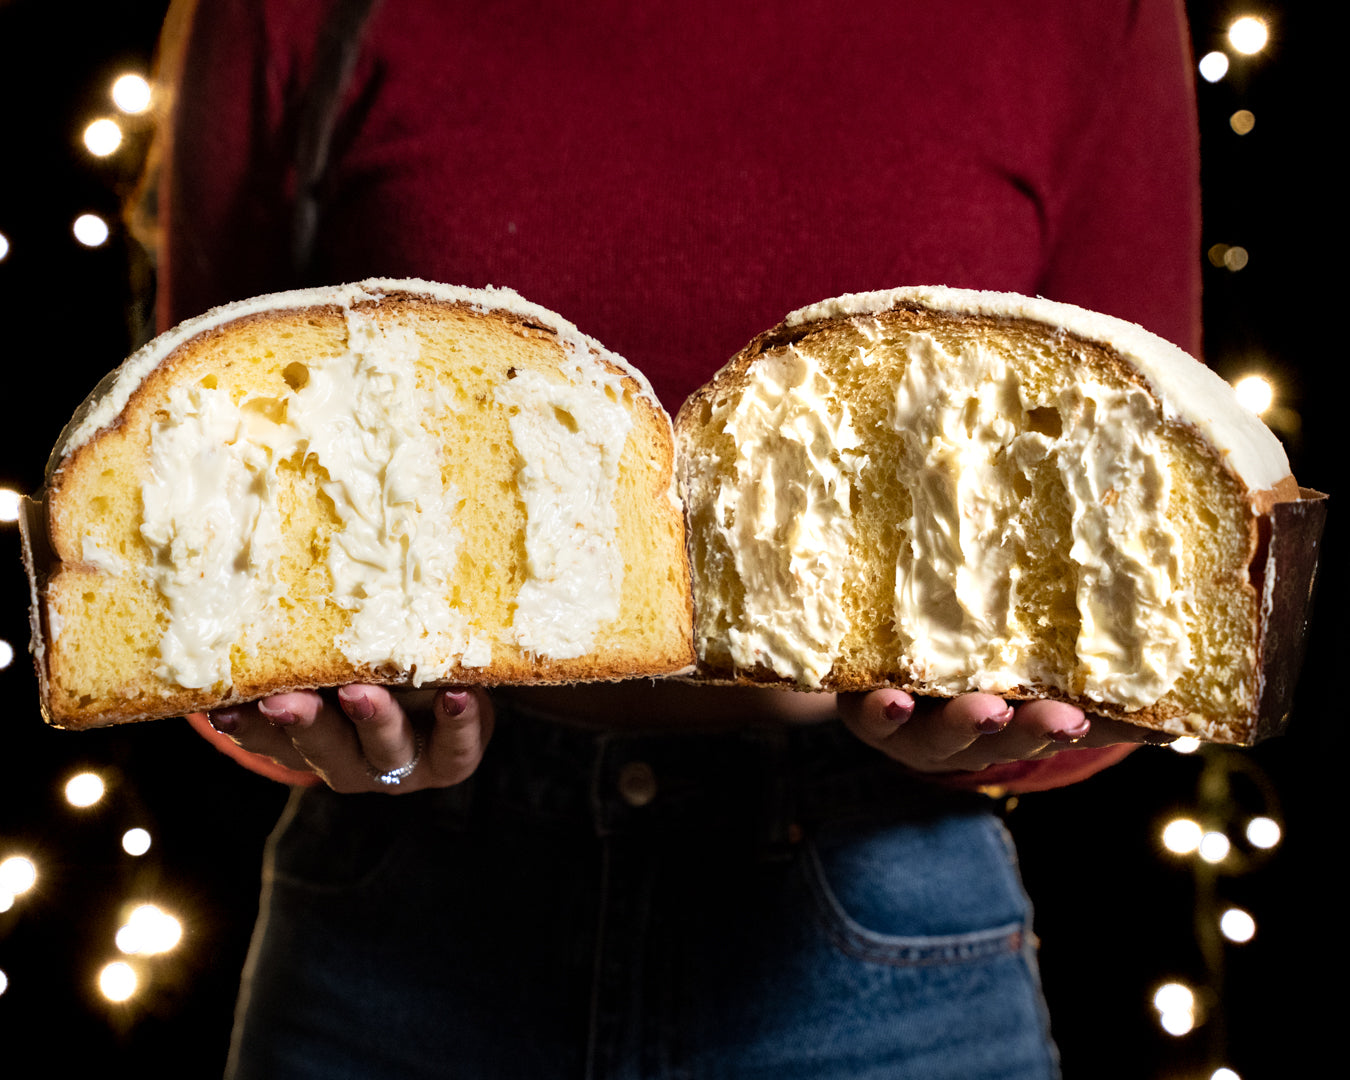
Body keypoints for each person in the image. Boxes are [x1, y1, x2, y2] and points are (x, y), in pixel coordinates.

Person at [155, 1, 1201, 1076]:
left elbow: (1147, 536)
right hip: (399, 931)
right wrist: (331, 723)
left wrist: (1008, 722)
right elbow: (193, 525)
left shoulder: (1094, 14)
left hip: (884, 930)